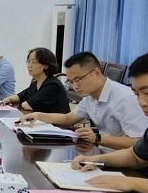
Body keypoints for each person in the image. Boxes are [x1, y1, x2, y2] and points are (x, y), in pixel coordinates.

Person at [20, 52, 148, 150]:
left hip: (125, 161)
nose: (75, 86)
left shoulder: (126, 98)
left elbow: (138, 142)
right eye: (71, 82)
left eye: (78, 80)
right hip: (102, 153)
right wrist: (38, 115)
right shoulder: (89, 97)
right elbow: (68, 119)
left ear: (96, 73)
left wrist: (97, 138)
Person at [70, 53, 148, 193]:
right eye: (136, 94)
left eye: (147, 93)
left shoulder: (122, 97)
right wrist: (94, 159)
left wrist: (131, 182)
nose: (141, 102)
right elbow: (135, 156)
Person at [0, 48, 69, 113]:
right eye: (28, 61)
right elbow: (20, 96)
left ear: (46, 65)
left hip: (57, 123)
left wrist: (23, 103)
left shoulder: (53, 85)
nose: (29, 65)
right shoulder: (35, 83)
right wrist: (8, 99)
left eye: (34, 62)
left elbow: (28, 106)